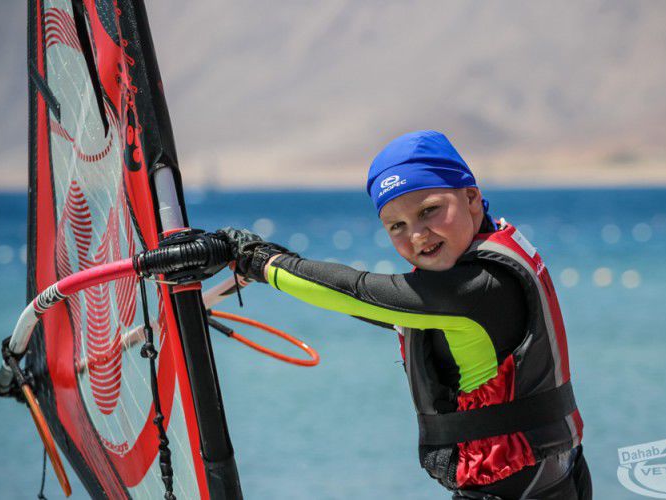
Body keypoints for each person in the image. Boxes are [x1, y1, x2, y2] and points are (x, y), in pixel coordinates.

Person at [218, 130, 592, 499]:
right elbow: (384, 308)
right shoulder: (489, 259)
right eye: (397, 225)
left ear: (471, 198)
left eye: (429, 211)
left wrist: (261, 262)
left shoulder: (479, 287)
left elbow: (358, 292)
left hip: (518, 489)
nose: (417, 235)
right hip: (552, 478)